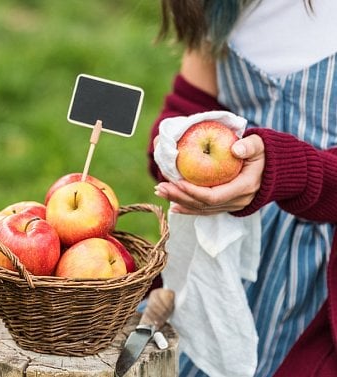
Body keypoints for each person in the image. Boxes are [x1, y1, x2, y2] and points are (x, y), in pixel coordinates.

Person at [146, 0, 337, 375]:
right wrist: (176, 155)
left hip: (323, 280)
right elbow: (186, 108)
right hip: (227, 252)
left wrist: (287, 171)